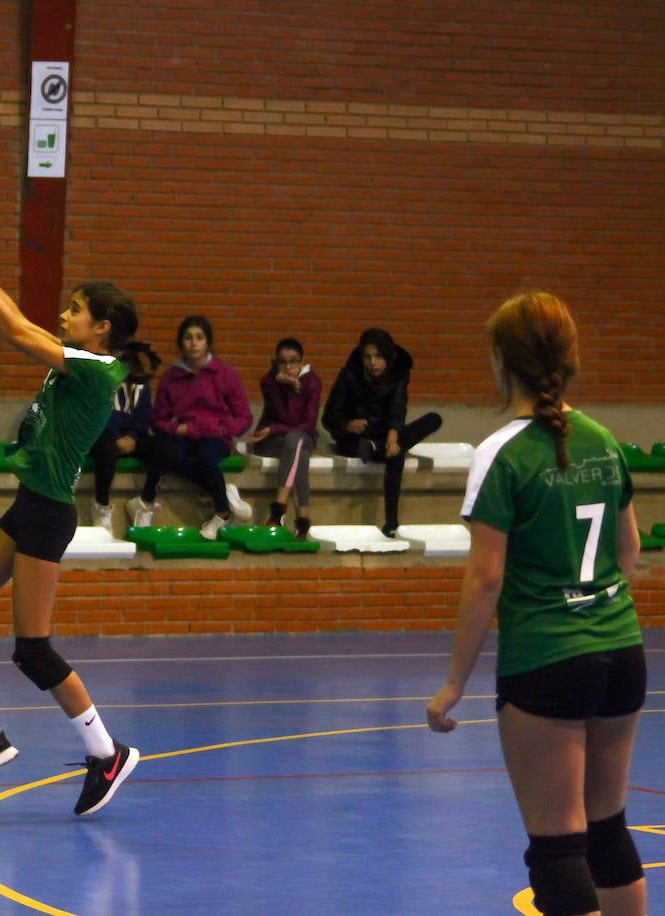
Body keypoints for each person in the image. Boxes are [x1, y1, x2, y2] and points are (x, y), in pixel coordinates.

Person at [427, 291, 646, 916]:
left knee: (556, 849)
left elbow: (485, 580)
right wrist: (596, 610)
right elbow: (627, 550)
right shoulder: (603, 440)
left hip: (548, 661)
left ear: (503, 361)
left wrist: (451, 686)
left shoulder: (503, 452)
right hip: (622, 652)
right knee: (607, 830)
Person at [0, 238, 140, 816]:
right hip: (30, 504)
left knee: (33, 650)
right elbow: (23, 327)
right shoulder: (80, 357)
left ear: (103, 328)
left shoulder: (96, 370)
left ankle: (107, 752)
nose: (63, 316)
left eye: (75, 309)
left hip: (48, 515)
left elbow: (14, 332)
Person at [126, 315, 254, 539]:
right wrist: (176, 429)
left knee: (207, 457)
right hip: (185, 433)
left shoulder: (225, 375)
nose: (194, 343)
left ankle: (221, 512)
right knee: (166, 452)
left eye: (199, 338)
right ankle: (224, 497)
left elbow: (244, 417)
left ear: (208, 342)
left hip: (215, 436)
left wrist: (224, 429)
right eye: (188, 338)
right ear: (181, 343)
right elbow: (158, 420)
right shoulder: (172, 377)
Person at [322, 327, 442, 537]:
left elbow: (398, 406)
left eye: (378, 357)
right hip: (355, 438)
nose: (373, 363)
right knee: (395, 457)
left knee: (432, 420)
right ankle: (392, 523)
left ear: (387, 356)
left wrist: (393, 436)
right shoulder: (350, 374)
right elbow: (329, 416)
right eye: (367, 357)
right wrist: (349, 424)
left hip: (383, 435)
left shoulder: (398, 374)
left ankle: (391, 522)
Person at [249, 337, 322, 539]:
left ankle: (278, 511)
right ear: (276, 362)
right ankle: (302, 524)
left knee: (296, 440)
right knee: (299, 453)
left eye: (293, 361)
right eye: (282, 362)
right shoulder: (269, 382)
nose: (288, 367)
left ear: (302, 361)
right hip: (272, 440)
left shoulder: (313, 382)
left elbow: (307, 424)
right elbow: (286, 417)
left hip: (298, 436)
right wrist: (290, 390)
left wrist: (297, 390)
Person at [87, 340, 160, 532]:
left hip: (130, 438)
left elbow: (144, 415)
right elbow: (95, 414)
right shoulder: (98, 377)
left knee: (164, 448)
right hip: (101, 436)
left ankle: (145, 503)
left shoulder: (139, 382)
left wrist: (133, 437)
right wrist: (116, 436)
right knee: (106, 448)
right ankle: (101, 506)